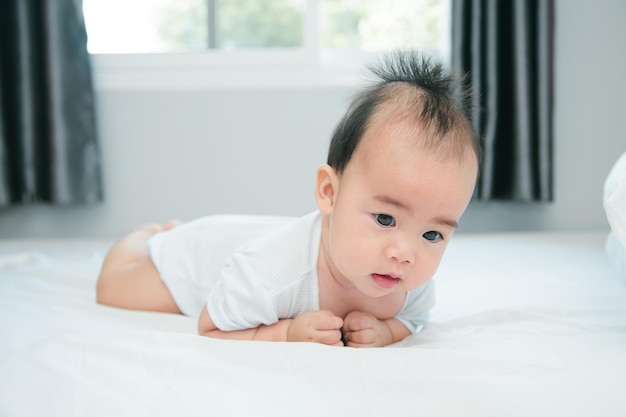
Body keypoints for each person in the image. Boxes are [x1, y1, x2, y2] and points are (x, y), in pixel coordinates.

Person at [96, 50, 480, 348]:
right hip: (198, 256)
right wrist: (285, 333)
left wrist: (388, 331)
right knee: (113, 288)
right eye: (385, 219)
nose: (405, 253)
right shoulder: (271, 275)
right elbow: (209, 326)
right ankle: (145, 234)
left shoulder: (409, 281)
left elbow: (415, 318)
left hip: (246, 235)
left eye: (432, 235)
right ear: (329, 193)